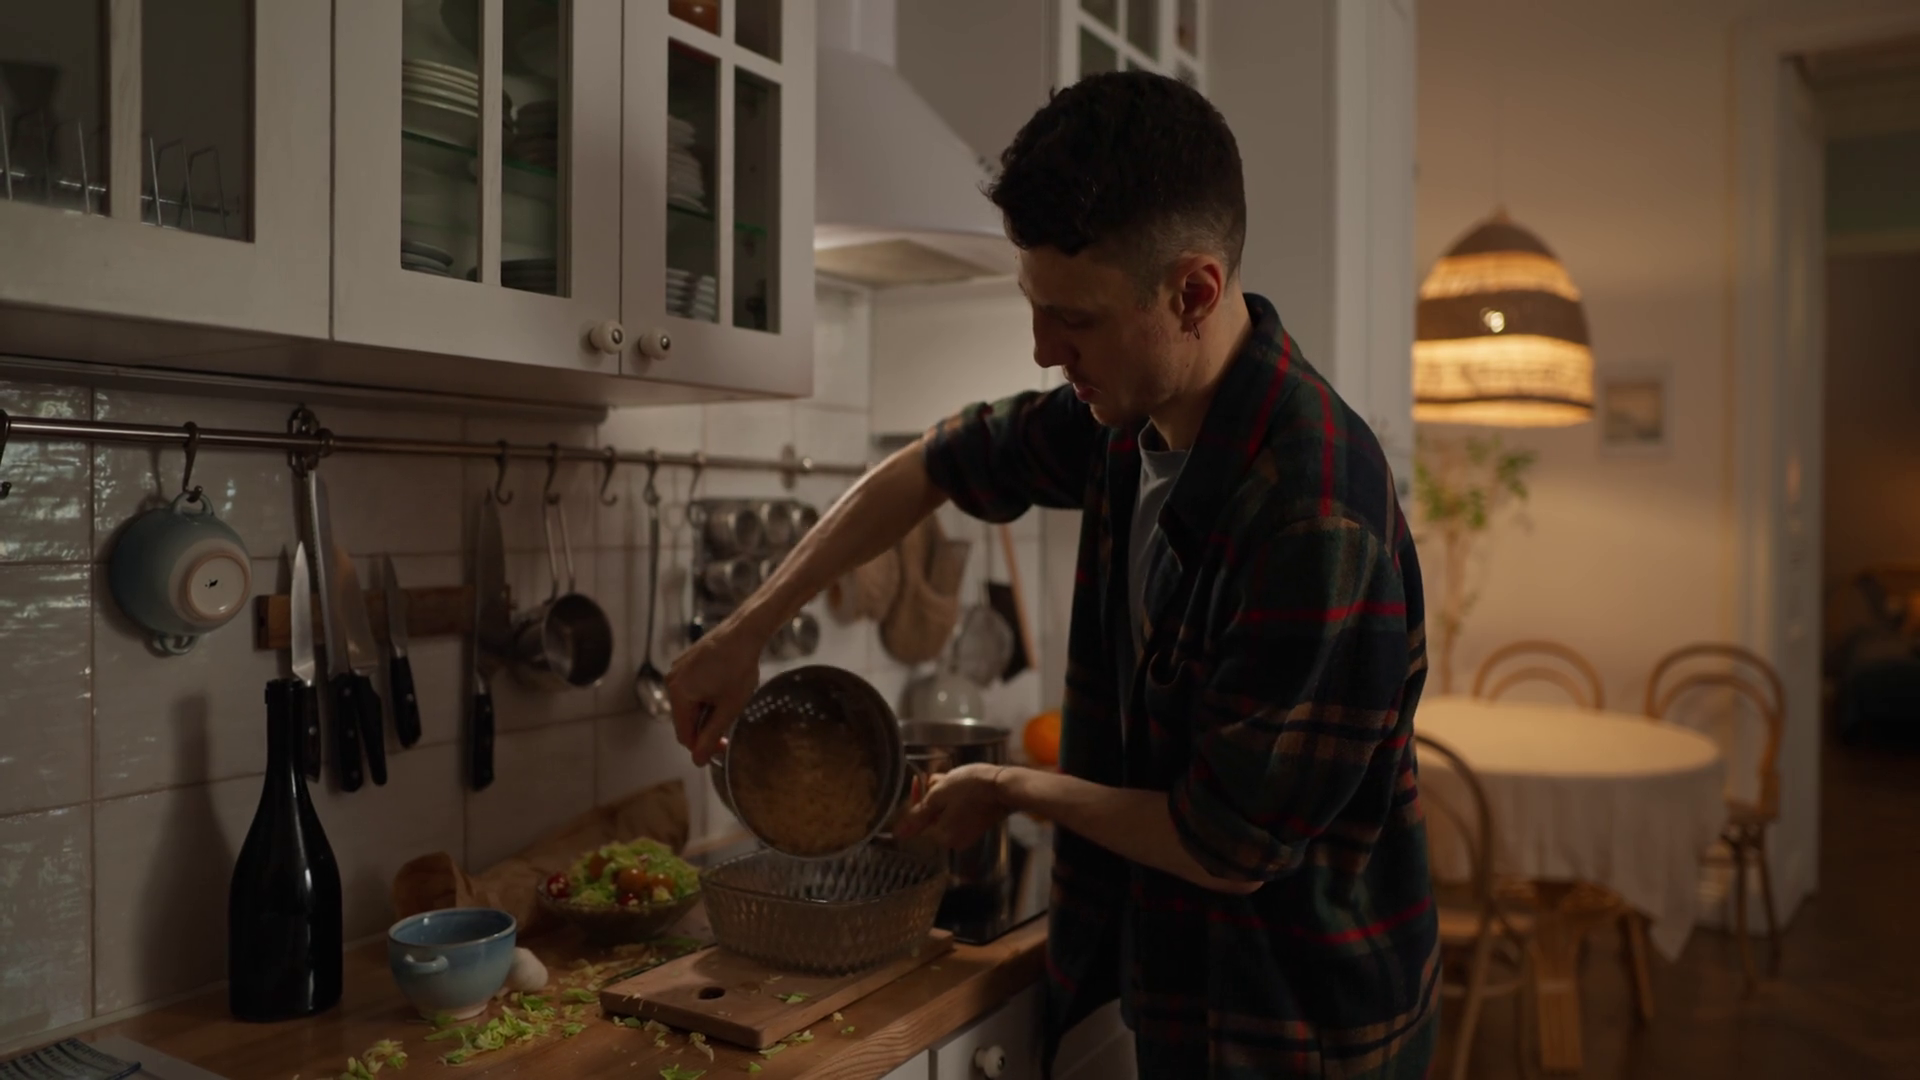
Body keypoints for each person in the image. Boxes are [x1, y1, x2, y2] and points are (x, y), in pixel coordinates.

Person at [668, 70, 1438, 1079]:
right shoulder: (1127, 417)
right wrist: (745, 632)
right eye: (1034, 307)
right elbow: (933, 465)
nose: (1041, 351)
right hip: (1167, 981)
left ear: (1194, 293)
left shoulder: (1314, 513)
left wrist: (1010, 786)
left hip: (1297, 1026)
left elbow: (1227, 846)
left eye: (1073, 318)